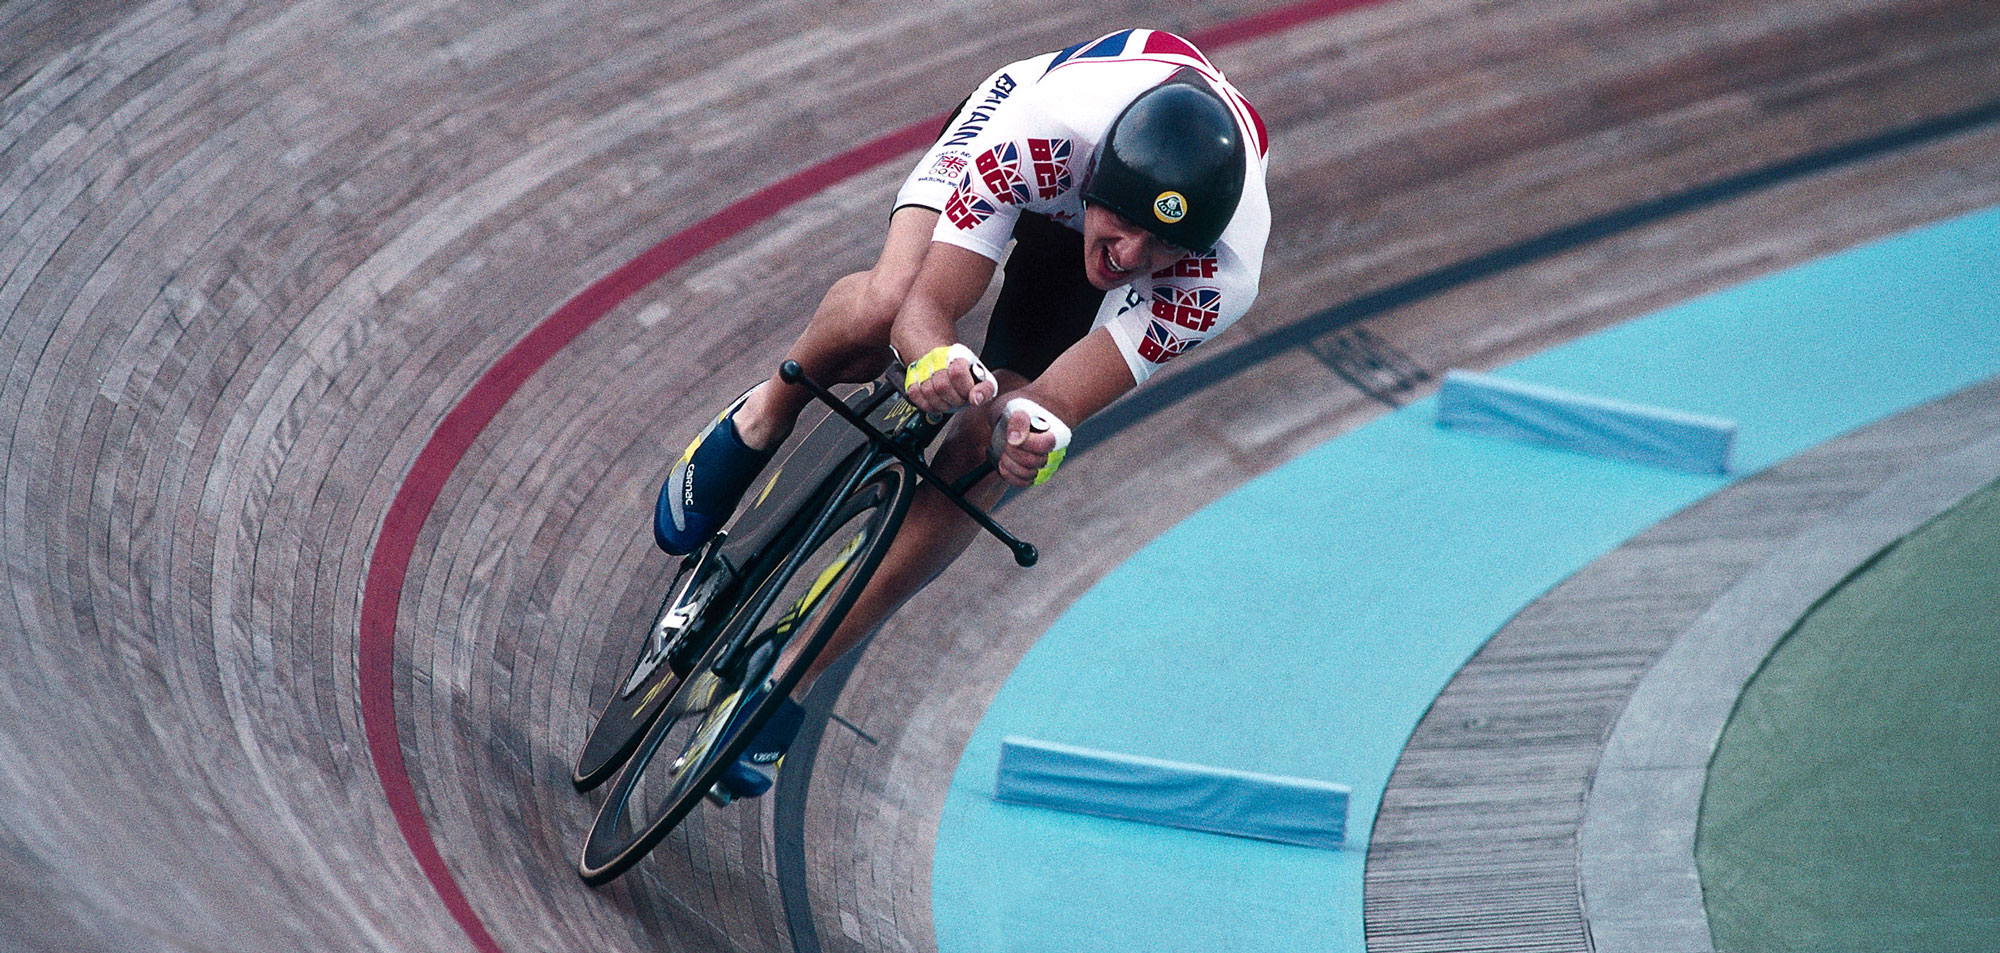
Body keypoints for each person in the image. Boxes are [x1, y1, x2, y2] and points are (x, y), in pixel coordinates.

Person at [656, 28, 1271, 800]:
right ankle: (764, 413)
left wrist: (1029, 429)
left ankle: (792, 673)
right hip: (1025, 136)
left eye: (1161, 245)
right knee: (887, 304)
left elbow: (1057, 398)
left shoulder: (1218, 275)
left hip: (1092, 204)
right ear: (1101, 186)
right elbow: (929, 307)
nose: (1130, 256)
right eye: (1126, 225)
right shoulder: (1043, 136)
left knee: (984, 455)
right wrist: (933, 355)